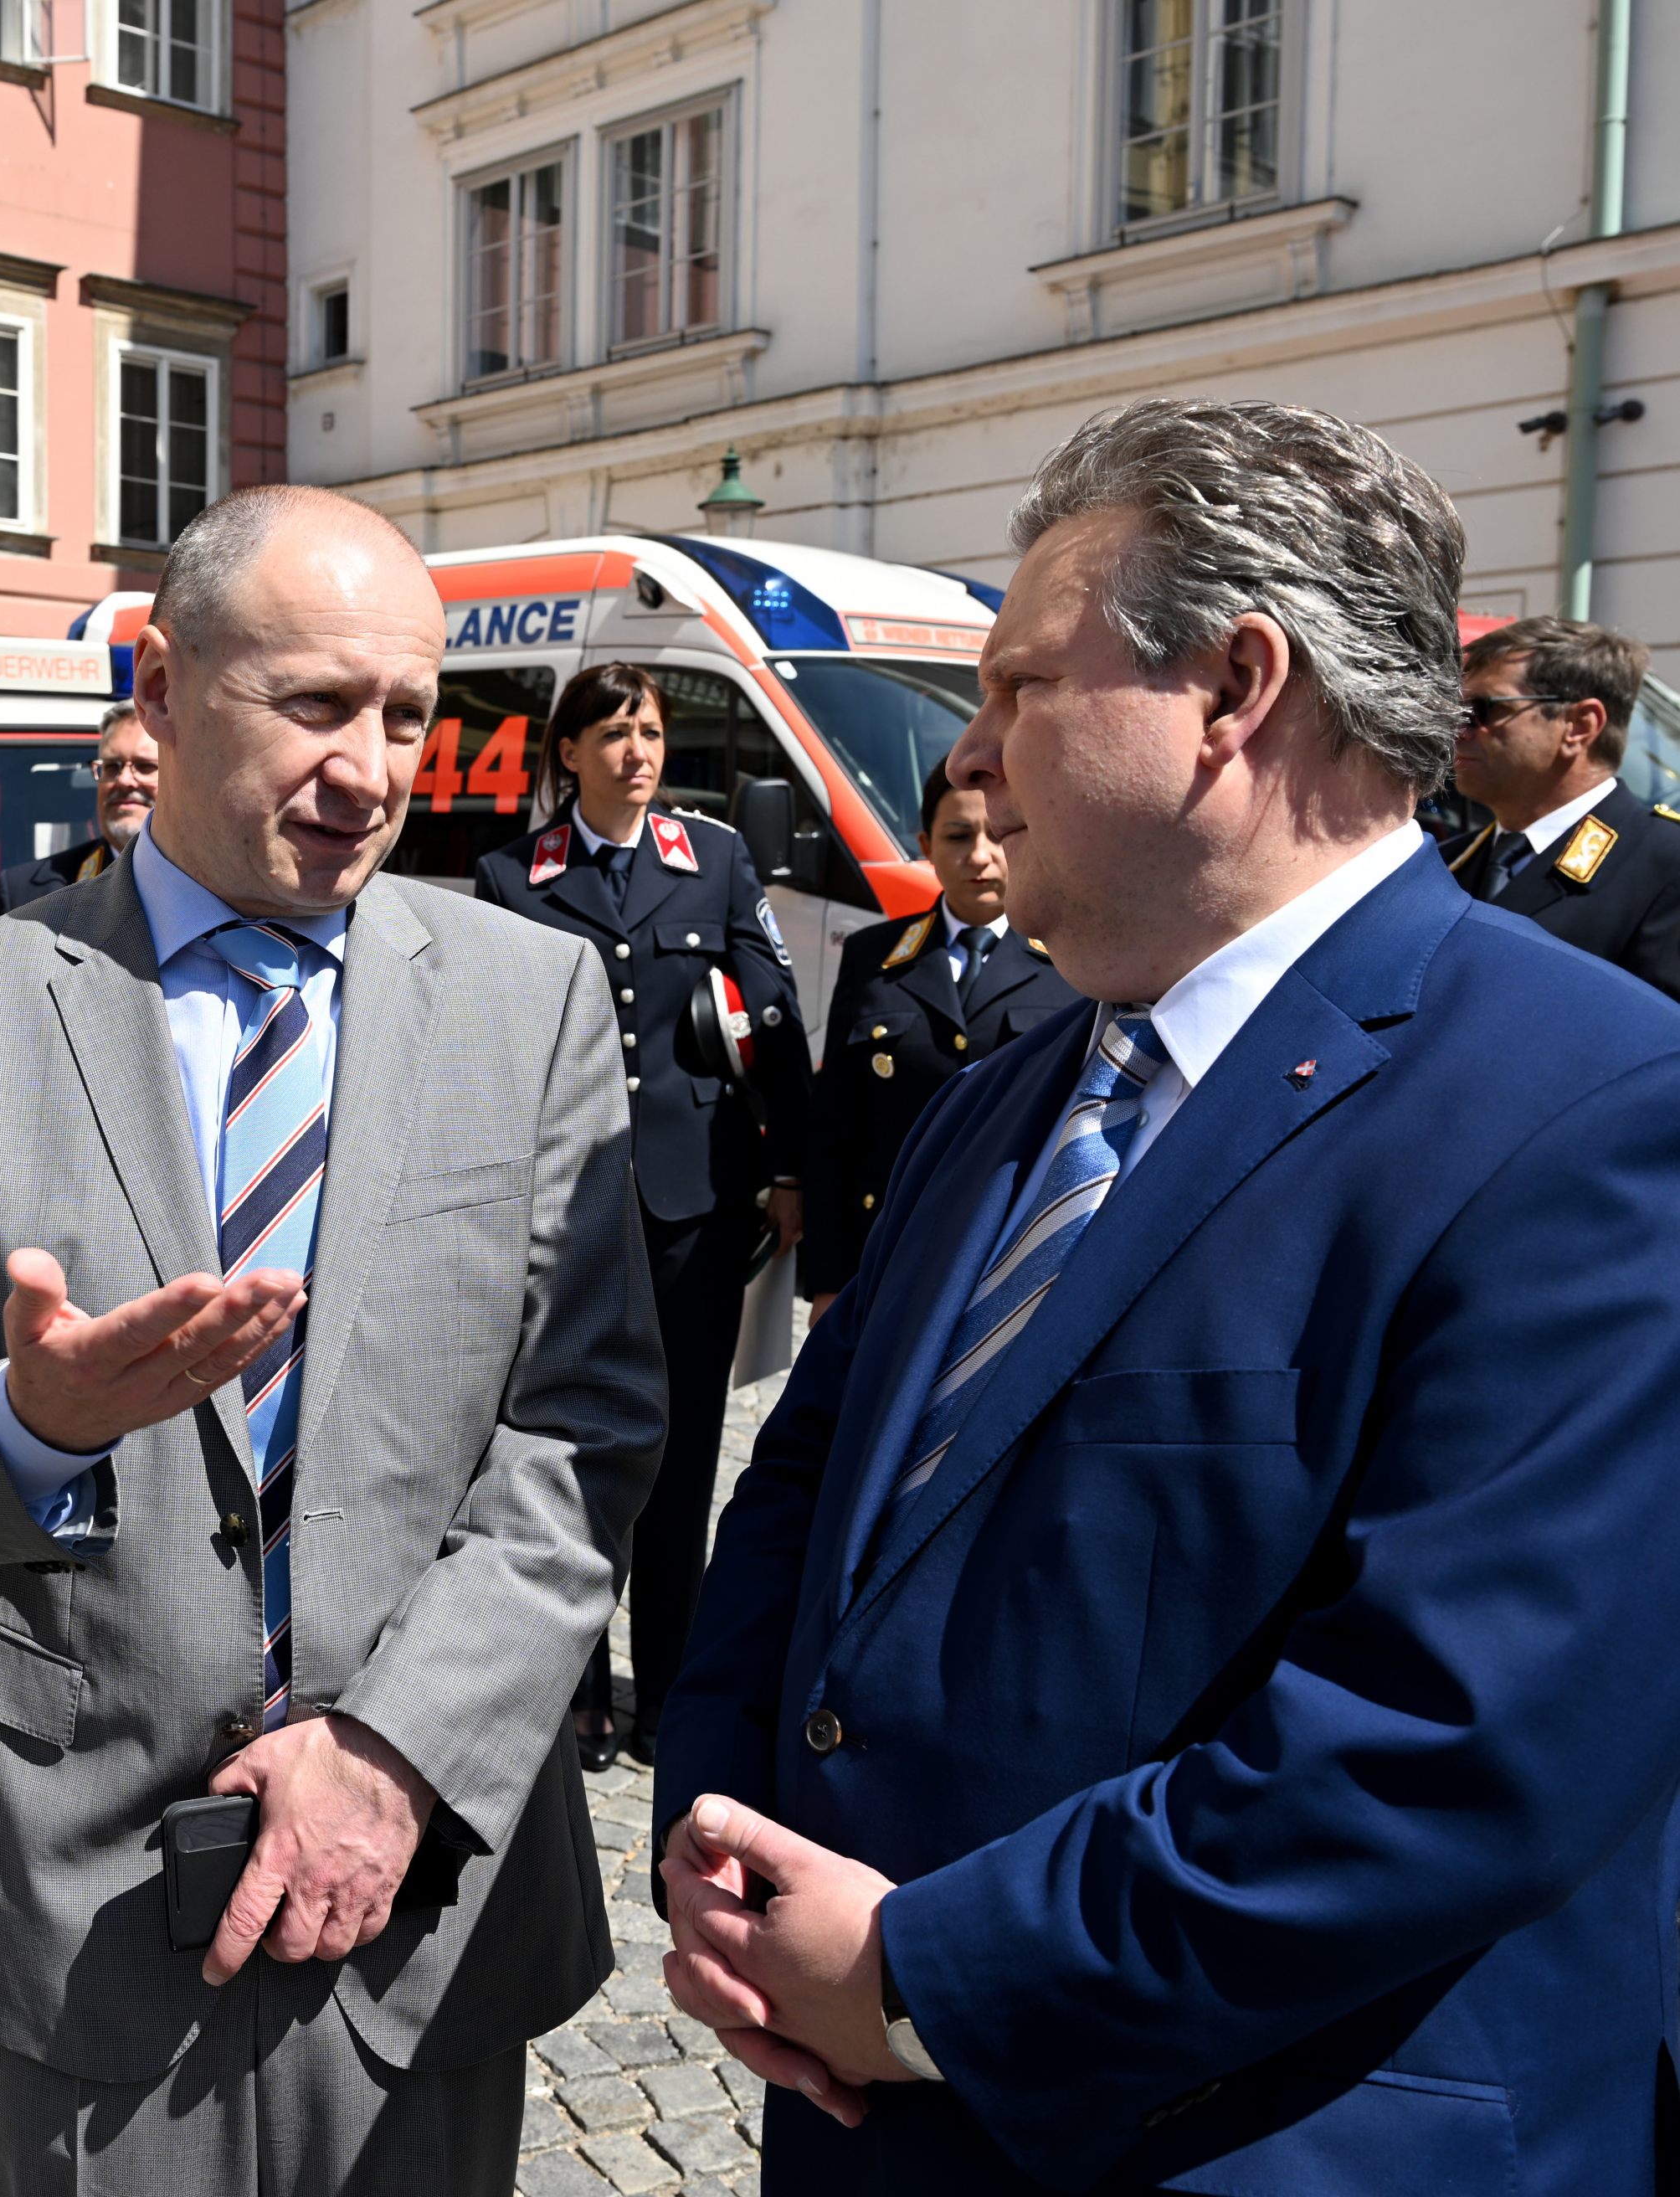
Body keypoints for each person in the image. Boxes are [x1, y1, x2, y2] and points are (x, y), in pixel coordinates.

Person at [651, 398, 1680, 2197]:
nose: (970, 758)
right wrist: (728, 1856)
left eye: (1019, 686)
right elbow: (805, 1503)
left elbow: (1449, 1744)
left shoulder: (1595, 1105)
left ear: (1233, 690)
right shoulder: (1012, 1089)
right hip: (869, 2116)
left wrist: (918, 1975)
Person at [0, 486, 665, 2194]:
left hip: (426, 1897)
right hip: (81, 1903)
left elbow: (586, 1430)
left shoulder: (529, 994)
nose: (373, 769)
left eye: (407, 714)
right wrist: (28, 1424)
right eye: (316, 704)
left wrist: (399, 1748)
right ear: (165, 682)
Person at [473, 662, 808, 1771]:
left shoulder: (711, 862)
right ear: (566, 753)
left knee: (676, 1460)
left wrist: (790, 1166)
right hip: (560, 1212)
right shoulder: (512, 875)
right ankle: (569, 1691)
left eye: (651, 732)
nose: (637, 752)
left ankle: (665, 1692)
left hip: (690, 1208)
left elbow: (775, 1018)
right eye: (612, 734)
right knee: (559, 1450)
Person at [800, 762, 1081, 1315]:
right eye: (957, 836)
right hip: (886, 1248)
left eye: (997, 835)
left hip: (1013, 1258)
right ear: (926, 844)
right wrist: (828, 1279)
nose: (980, 856)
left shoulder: (1072, 964)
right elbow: (835, 1126)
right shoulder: (874, 958)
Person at [1441, 614, 1680, 999]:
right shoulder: (1448, 863)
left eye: (1482, 710)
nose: (1458, 729)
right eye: (1454, 710)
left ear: (1580, 726)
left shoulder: (1665, 864)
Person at [0, 700, 157, 910]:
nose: (123, 780)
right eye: (111, 767)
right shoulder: (25, 893)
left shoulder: (208, 880)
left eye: (145, 766)